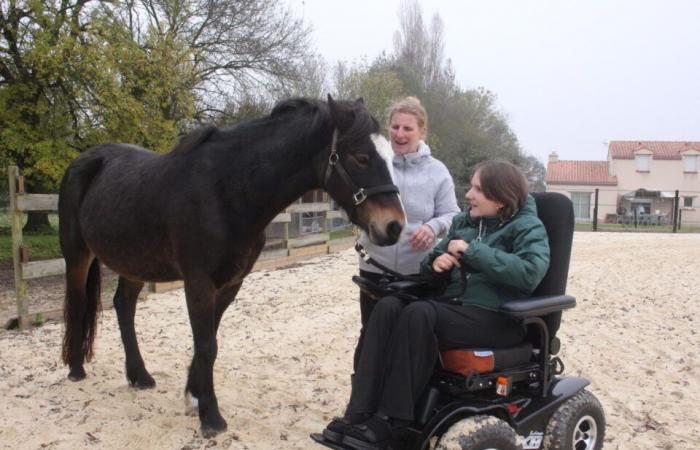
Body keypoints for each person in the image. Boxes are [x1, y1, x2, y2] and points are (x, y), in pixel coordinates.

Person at [323, 160, 550, 449]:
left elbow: (530, 273)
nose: (468, 195)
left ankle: (393, 421)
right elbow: (432, 259)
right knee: (389, 306)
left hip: (500, 318)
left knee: (420, 313)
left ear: (501, 197)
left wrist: (472, 251)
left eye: (478, 189)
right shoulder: (465, 222)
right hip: (457, 308)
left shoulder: (527, 227)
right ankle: (359, 411)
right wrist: (436, 262)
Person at [354, 96, 460, 367]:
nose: (399, 134)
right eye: (395, 127)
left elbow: (452, 215)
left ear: (422, 132)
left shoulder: (437, 172)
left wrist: (432, 226)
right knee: (371, 336)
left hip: (418, 271)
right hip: (375, 268)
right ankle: (363, 400)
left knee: (410, 339)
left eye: (407, 128)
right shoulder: (373, 163)